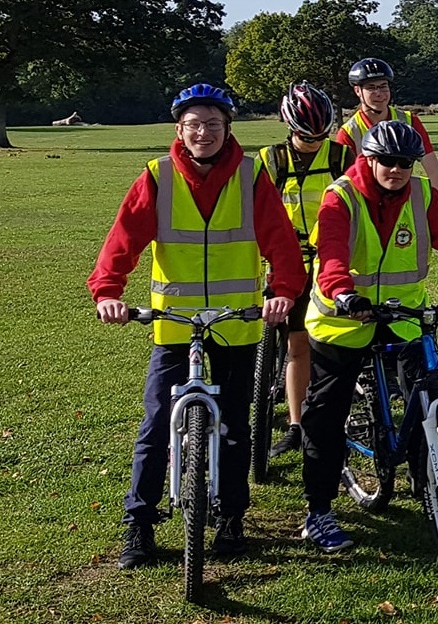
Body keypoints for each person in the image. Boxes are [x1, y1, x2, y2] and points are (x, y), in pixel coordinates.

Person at [88, 84, 306, 568]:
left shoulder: (251, 177)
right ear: (178, 130)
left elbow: (280, 241)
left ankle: (231, 517)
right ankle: (139, 525)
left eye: (212, 124)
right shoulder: (158, 177)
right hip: (174, 323)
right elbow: (123, 239)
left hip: (237, 322)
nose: (203, 133)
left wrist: (284, 290)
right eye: (193, 125)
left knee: (233, 426)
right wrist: (108, 292)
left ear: (228, 128)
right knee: (154, 427)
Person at [299, 120, 438, 553]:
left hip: (403, 317)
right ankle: (318, 512)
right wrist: (343, 291)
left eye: (405, 163)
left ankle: (426, 479)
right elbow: (333, 254)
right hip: (343, 319)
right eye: (388, 162)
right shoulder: (340, 196)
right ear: (369, 159)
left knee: (426, 391)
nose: (397, 171)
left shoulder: (420, 195)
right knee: (325, 413)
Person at [257, 81, 352, 461]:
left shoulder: (342, 158)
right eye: (305, 135)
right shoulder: (271, 160)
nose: (313, 142)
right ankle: (297, 424)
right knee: (298, 343)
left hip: (332, 260)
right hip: (287, 260)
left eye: (320, 135)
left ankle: (338, 412)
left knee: (331, 345)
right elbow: (257, 214)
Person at [333, 57, 438, 191]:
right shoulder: (348, 132)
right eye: (371, 88)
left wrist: (437, 207)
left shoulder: (409, 121)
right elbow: (346, 184)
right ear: (358, 91)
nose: (379, 93)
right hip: (368, 202)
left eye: (383, 87)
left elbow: (434, 171)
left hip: (403, 199)